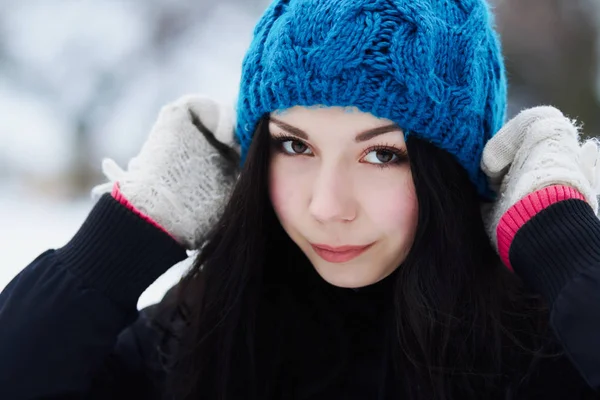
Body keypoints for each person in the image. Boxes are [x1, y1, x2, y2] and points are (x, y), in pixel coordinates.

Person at [1, 0, 600, 399]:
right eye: (295, 146)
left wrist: (565, 248)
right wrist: (127, 233)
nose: (326, 206)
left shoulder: (543, 345)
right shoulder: (206, 329)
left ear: (452, 170)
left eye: (382, 154)